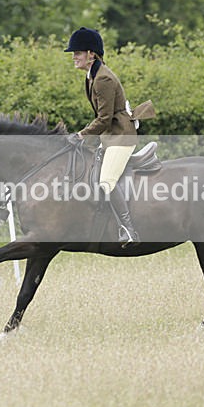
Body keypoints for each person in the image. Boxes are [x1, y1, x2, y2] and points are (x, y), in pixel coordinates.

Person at [64, 26, 141, 246]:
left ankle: (128, 229)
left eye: (77, 52)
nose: (74, 57)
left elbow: (104, 119)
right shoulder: (92, 76)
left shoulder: (103, 79)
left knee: (106, 181)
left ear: (91, 54)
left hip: (120, 136)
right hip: (110, 136)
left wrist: (80, 135)